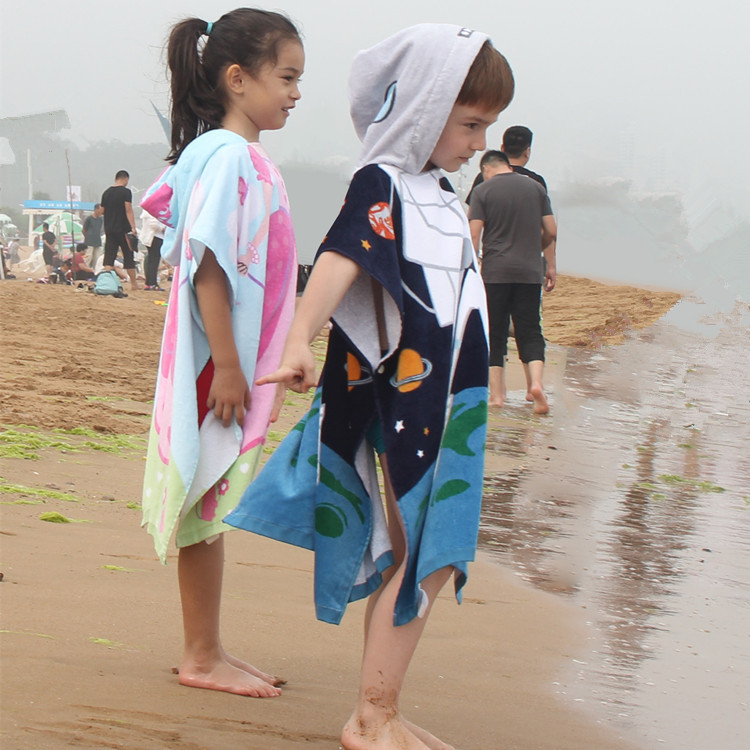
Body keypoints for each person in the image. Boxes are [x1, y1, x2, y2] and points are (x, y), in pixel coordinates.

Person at [226, 24, 514, 749]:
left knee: (422, 553)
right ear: (423, 106)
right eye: (471, 124)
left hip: (454, 403)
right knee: (430, 553)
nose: (479, 142)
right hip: (413, 401)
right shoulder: (382, 183)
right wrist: (298, 339)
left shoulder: (441, 193)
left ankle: (379, 706)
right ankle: (371, 716)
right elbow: (339, 259)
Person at [139, 8, 303, 699]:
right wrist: (232, 366)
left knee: (209, 502)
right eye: (287, 77)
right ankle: (201, 655)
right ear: (238, 78)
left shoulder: (215, 152)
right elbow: (209, 266)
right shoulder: (232, 156)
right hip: (217, 361)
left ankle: (209, 647)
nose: (296, 93)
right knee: (205, 501)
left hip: (218, 354)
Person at [469, 150, 557, 414]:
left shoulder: (482, 191)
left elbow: (473, 235)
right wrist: (537, 250)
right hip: (530, 273)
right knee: (530, 330)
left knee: (494, 332)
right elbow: (551, 230)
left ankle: (497, 396)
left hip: (495, 273)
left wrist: (473, 266)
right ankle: (537, 385)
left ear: (486, 169)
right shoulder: (536, 187)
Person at [465, 124, 547, 203]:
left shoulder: (486, 175)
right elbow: (545, 214)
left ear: (502, 148)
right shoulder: (536, 181)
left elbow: (472, 212)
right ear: (527, 151)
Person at [100, 171, 140, 291]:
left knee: (109, 255)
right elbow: (128, 209)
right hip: (123, 229)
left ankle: (107, 282)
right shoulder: (125, 192)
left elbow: (102, 210)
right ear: (126, 179)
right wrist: (133, 227)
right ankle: (133, 284)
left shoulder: (106, 192)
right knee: (128, 255)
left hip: (110, 229)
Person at [139, 208, 166, 290]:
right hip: (155, 236)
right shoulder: (152, 210)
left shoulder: (148, 209)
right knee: (154, 261)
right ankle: (152, 283)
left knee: (151, 260)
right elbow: (153, 224)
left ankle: (149, 283)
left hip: (152, 237)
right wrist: (163, 228)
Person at [82, 203, 104, 269]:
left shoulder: (100, 219)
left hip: (97, 241)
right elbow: (83, 230)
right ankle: (86, 270)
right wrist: (88, 237)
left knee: (97, 258)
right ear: (96, 209)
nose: (101, 211)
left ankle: (95, 271)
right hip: (89, 241)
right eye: (100, 209)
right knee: (89, 257)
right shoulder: (89, 219)